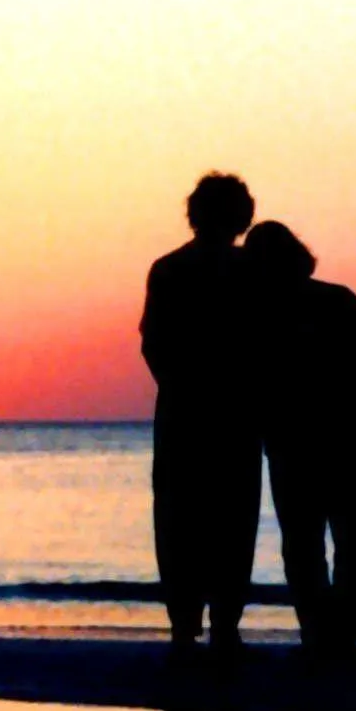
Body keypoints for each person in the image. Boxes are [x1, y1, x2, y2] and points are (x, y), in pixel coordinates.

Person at [242, 221, 356, 654]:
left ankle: (319, 631)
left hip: (299, 448)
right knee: (349, 546)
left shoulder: (263, 315)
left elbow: (256, 386)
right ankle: (341, 632)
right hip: (340, 446)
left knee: (306, 549)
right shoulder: (340, 301)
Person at [140, 173, 262, 646]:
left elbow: (153, 345)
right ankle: (220, 627)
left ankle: (187, 626)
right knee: (230, 524)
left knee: (181, 525)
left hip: (187, 418)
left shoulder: (170, 269)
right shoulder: (246, 271)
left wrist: (184, 387)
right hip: (229, 418)